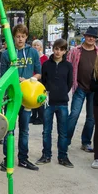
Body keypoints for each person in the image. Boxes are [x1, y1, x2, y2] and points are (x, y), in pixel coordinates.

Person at [0, 23, 42, 171]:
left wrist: (30, 80)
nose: (20, 39)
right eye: (17, 36)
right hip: (11, 97)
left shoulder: (33, 53)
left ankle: (23, 159)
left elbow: (38, 73)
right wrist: (14, 79)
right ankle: (7, 159)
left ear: (26, 37)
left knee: (24, 130)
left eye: (23, 36)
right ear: (13, 37)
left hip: (27, 98)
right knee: (9, 128)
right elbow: (3, 76)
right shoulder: (6, 54)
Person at [36, 39, 73, 167]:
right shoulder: (46, 64)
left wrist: (62, 93)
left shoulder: (68, 66)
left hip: (62, 102)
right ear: (53, 49)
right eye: (56, 48)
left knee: (62, 131)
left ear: (64, 51)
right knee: (47, 130)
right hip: (49, 103)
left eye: (61, 49)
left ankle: (63, 156)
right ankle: (46, 155)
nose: (58, 51)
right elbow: (44, 82)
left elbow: (69, 83)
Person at [66, 27, 98, 152]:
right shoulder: (75, 51)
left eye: (94, 37)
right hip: (79, 87)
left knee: (91, 118)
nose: (91, 39)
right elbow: (68, 67)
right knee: (74, 114)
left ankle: (86, 142)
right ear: (84, 36)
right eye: (89, 36)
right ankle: (66, 140)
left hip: (94, 89)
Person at [30, 40, 48, 125]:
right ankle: (33, 116)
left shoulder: (44, 58)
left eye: (38, 45)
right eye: (34, 45)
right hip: (32, 80)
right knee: (32, 98)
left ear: (41, 47)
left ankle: (41, 117)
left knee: (39, 100)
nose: (36, 47)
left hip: (41, 80)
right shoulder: (31, 57)